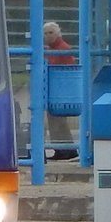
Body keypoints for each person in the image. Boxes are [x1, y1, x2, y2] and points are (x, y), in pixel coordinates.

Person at [43, 21, 77, 160]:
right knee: (55, 120)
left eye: (51, 33)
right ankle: (61, 149)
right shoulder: (50, 49)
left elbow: (67, 69)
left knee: (59, 120)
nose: (48, 36)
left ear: (58, 33)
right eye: (45, 33)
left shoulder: (63, 49)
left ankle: (66, 149)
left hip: (60, 90)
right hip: (54, 89)